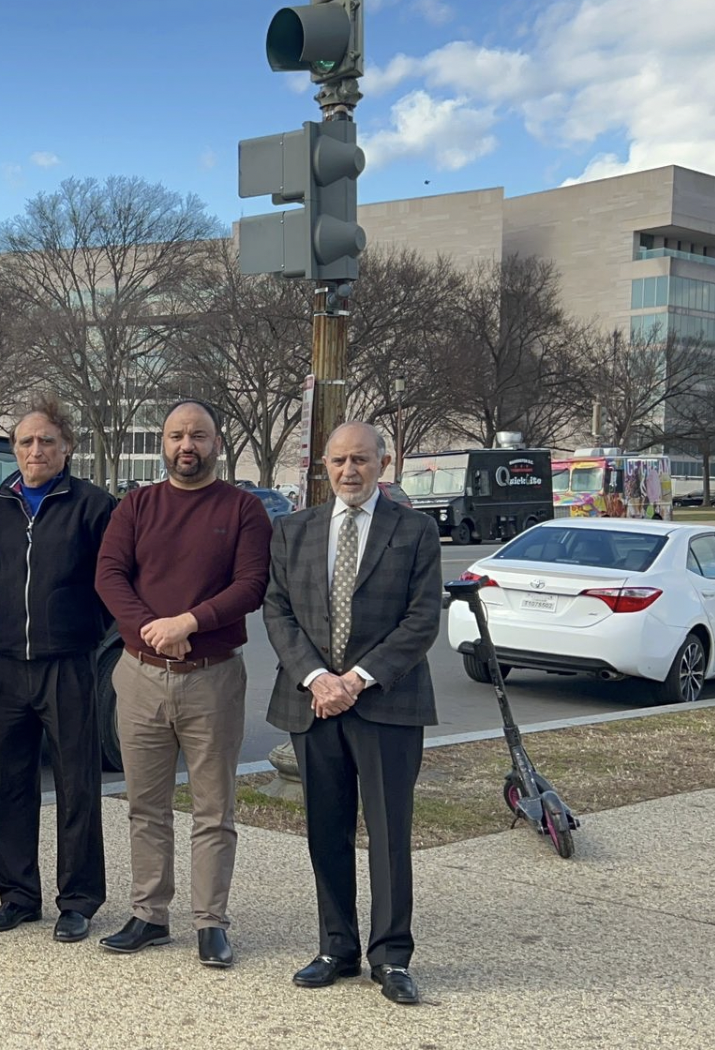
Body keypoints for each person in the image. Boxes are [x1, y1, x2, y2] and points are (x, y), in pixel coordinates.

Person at [261, 421, 440, 1006]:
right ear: (325, 467)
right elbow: (278, 612)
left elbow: (420, 622)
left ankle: (391, 958)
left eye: (360, 460)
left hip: (386, 703)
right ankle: (335, 947)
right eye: (338, 461)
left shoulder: (414, 531)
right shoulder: (293, 530)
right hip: (313, 704)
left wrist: (355, 681)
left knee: (389, 835)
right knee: (325, 831)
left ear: (382, 464)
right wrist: (317, 678)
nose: (349, 471)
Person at [93, 399, 271, 967]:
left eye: (197, 435)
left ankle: (210, 922)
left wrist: (189, 622)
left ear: (217, 442)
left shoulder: (243, 509)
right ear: (163, 443)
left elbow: (251, 584)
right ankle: (149, 913)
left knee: (213, 808)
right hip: (141, 675)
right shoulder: (137, 505)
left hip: (212, 678)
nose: (185, 445)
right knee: (145, 804)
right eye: (175, 435)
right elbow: (109, 575)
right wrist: (151, 628)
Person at [0, 400, 116, 943]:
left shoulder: (95, 506)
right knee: (6, 783)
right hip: (7, 663)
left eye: (48, 441)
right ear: (14, 449)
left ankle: (77, 899)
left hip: (68, 664)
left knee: (77, 784)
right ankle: (17, 895)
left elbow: (111, 580)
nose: (36, 451)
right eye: (27, 442)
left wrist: (81, 628)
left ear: (67, 448)